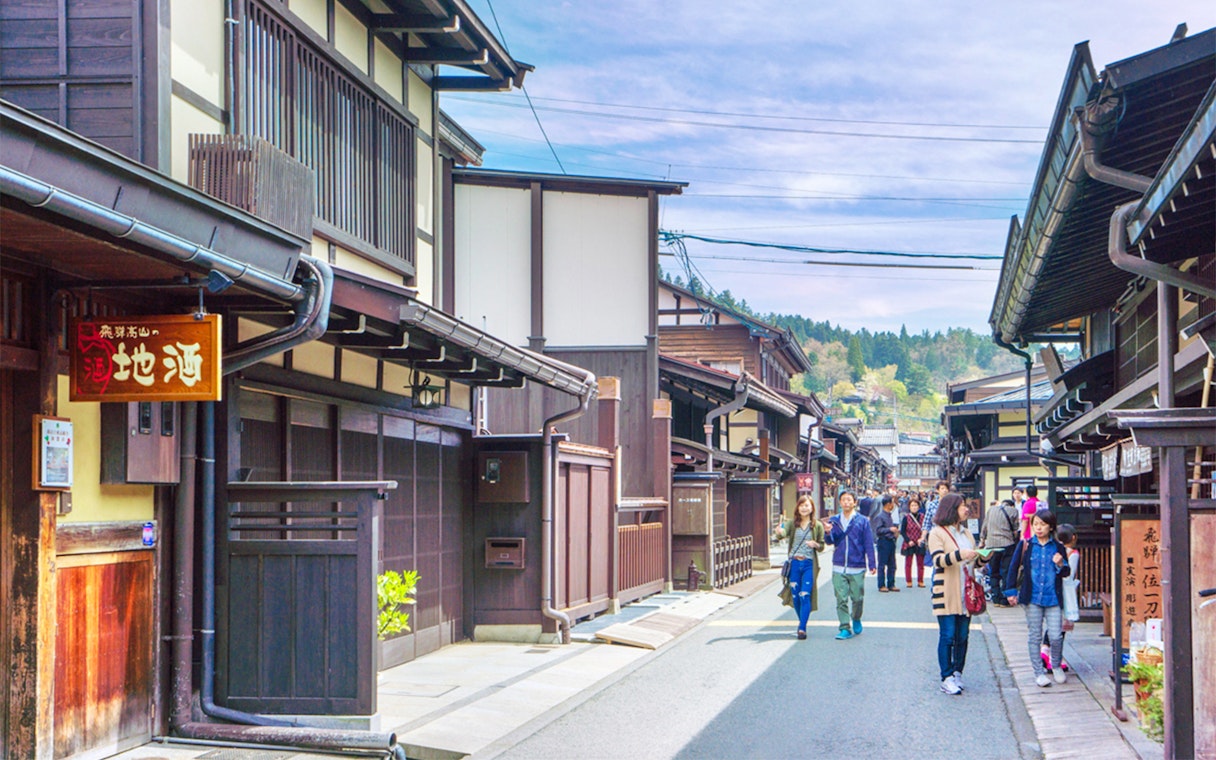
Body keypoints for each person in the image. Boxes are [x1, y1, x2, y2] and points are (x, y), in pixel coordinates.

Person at [927, 493, 987, 695]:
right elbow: (938, 561)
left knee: (963, 635)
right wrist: (962, 554)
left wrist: (982, 557)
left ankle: (958, 672)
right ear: (951, 509)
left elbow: (972, 562)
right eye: (962, 506)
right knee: (948, 635)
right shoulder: (937, 533)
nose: (966, 509)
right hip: (946, 590)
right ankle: (946, 676)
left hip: (966, 591)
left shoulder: (967, 534)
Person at [1004, 508, 1071, 687]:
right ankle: (1038, 672)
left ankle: (1055, 665)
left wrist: (1060, 563)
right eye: (1035, 524)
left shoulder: (1058, 547)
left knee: (1056, 635)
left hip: (1053, 598)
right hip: (1032, 598)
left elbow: (1066, 572)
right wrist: (1010, 591)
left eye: (1043, 524)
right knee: (1035, 635)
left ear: (1051, 527)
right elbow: (1013, 567)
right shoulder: (1027, 545)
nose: (1038, 528)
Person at [823, 490, 877, 640]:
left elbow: (868, 543)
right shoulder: (834, 521)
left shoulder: (862, 521)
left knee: (857, 598)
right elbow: (830, 541)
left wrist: (872, 563)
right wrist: (827, 532)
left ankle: (856, 617)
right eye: (843, 500)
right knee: (841, 598)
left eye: (849, 500)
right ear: (840, 503)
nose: (846, 502)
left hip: (857, 565)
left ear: (854, 502)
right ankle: (844, 627)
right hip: (838, 566)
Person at [774, 495, 826, 640]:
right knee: (796, 596)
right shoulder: (792, 524)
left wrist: (815, 544)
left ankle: (802, 627)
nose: (804, 508)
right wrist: (779, 532)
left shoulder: (817, 525)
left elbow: (822, 545)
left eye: (807, 505)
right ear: (798, 507)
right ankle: (802, 621)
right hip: (794, 564)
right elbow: (782, 534)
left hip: (809, 563)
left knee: (805, 594)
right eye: (802, 505)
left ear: (812, 508)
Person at [1043, 523, 1081, 674]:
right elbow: (1069, 575)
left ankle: (1046, 650)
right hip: (1066, 593)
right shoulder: (1073, 553)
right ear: (1073, 537)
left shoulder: (1053, 551)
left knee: (1054, 623)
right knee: (1061, 626)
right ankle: (1052, 654)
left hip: (1052, 590)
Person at [979, 498, 1021, 606]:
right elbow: (1016, 528)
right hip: (1007, 544)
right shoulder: (1014, 511)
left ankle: (996, 598)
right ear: (1011, 505)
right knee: (1006, 571)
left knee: (994, 572)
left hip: (992, 545)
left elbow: (984, 526)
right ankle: (1005, 599)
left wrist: (982, 540)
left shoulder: (991, 510)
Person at [870, 494, 901, 592]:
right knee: (882, 564)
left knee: (892, 564)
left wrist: (895, 532)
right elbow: (878, 530)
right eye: (892, 503)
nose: (893, 505)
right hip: (883, 542)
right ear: (888, 504)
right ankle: (881, 585)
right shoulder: (880, 516)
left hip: (891, 541)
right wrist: (889, 529)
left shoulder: (889, 515)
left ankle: (891, 584)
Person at [901, 497, 926, 587]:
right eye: (912, 505)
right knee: (908, 563)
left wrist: (922, 539)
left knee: (920, 563)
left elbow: (925, 528)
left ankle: (920, 580)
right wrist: (908, 541)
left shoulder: (923, 517)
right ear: (909, 507)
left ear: (919, 507)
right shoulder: (906, 518)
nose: (914, 507)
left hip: (920, 542)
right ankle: (909, 581)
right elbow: (902, 531)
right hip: (909, 542)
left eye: (916, 505)